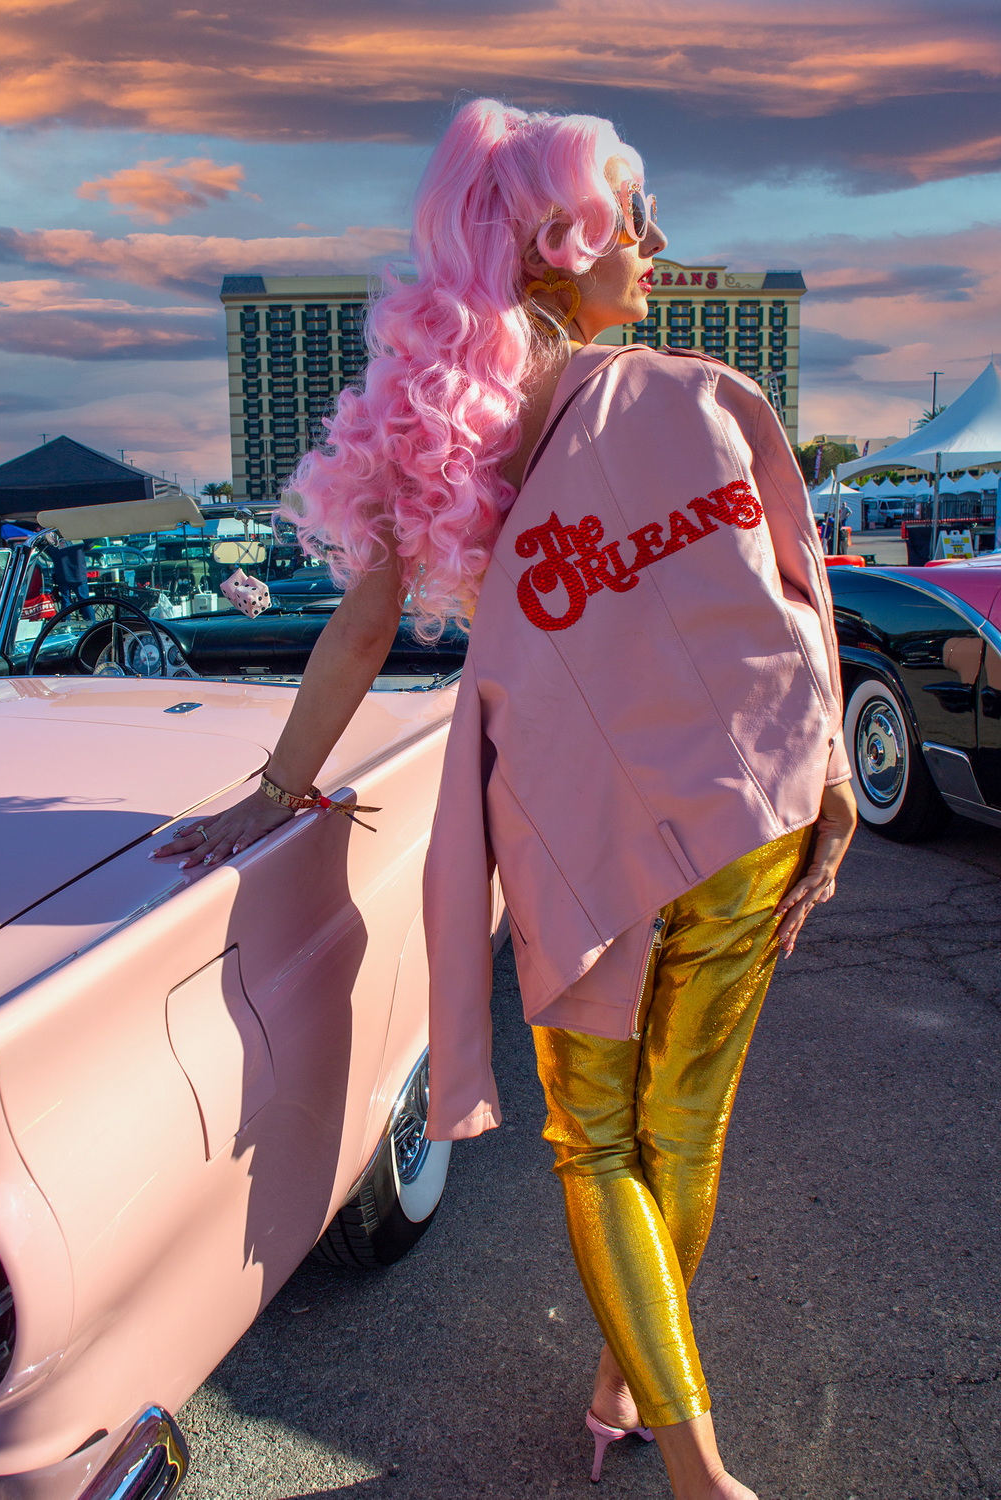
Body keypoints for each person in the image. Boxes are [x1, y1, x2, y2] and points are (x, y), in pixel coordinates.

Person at [150, 100, 856, 1500]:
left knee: (598, 1142)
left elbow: (364, 627)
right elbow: (790, 592)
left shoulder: (441, 426)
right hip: (748, 803)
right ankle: (633, 1393)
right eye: (630, 219)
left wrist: (278, 791)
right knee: (681, 1131)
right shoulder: (693, 397)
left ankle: (682, 1447)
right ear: (552, 243)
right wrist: (830, 770)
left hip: (572, 824)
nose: (656, 242)